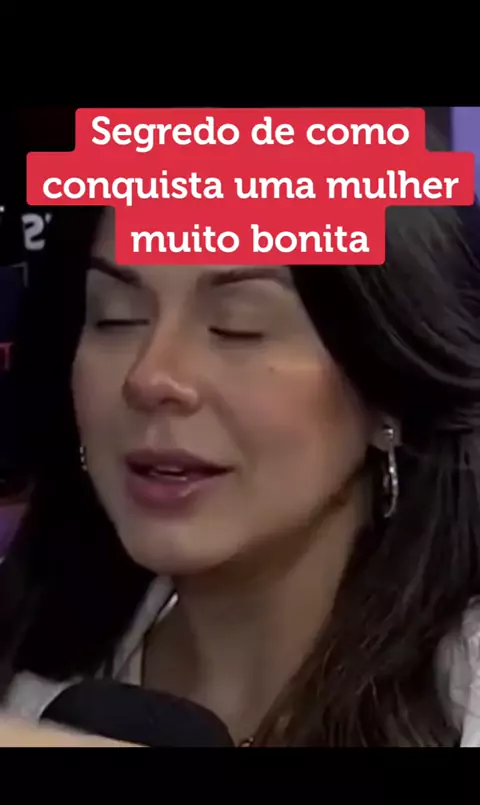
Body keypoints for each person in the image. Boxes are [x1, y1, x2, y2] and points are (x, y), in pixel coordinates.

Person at [0, 189, 480, 747]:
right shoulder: (27, 681)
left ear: (387, 391)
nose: (150, 377)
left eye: (238, 326)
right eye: (116, 318)